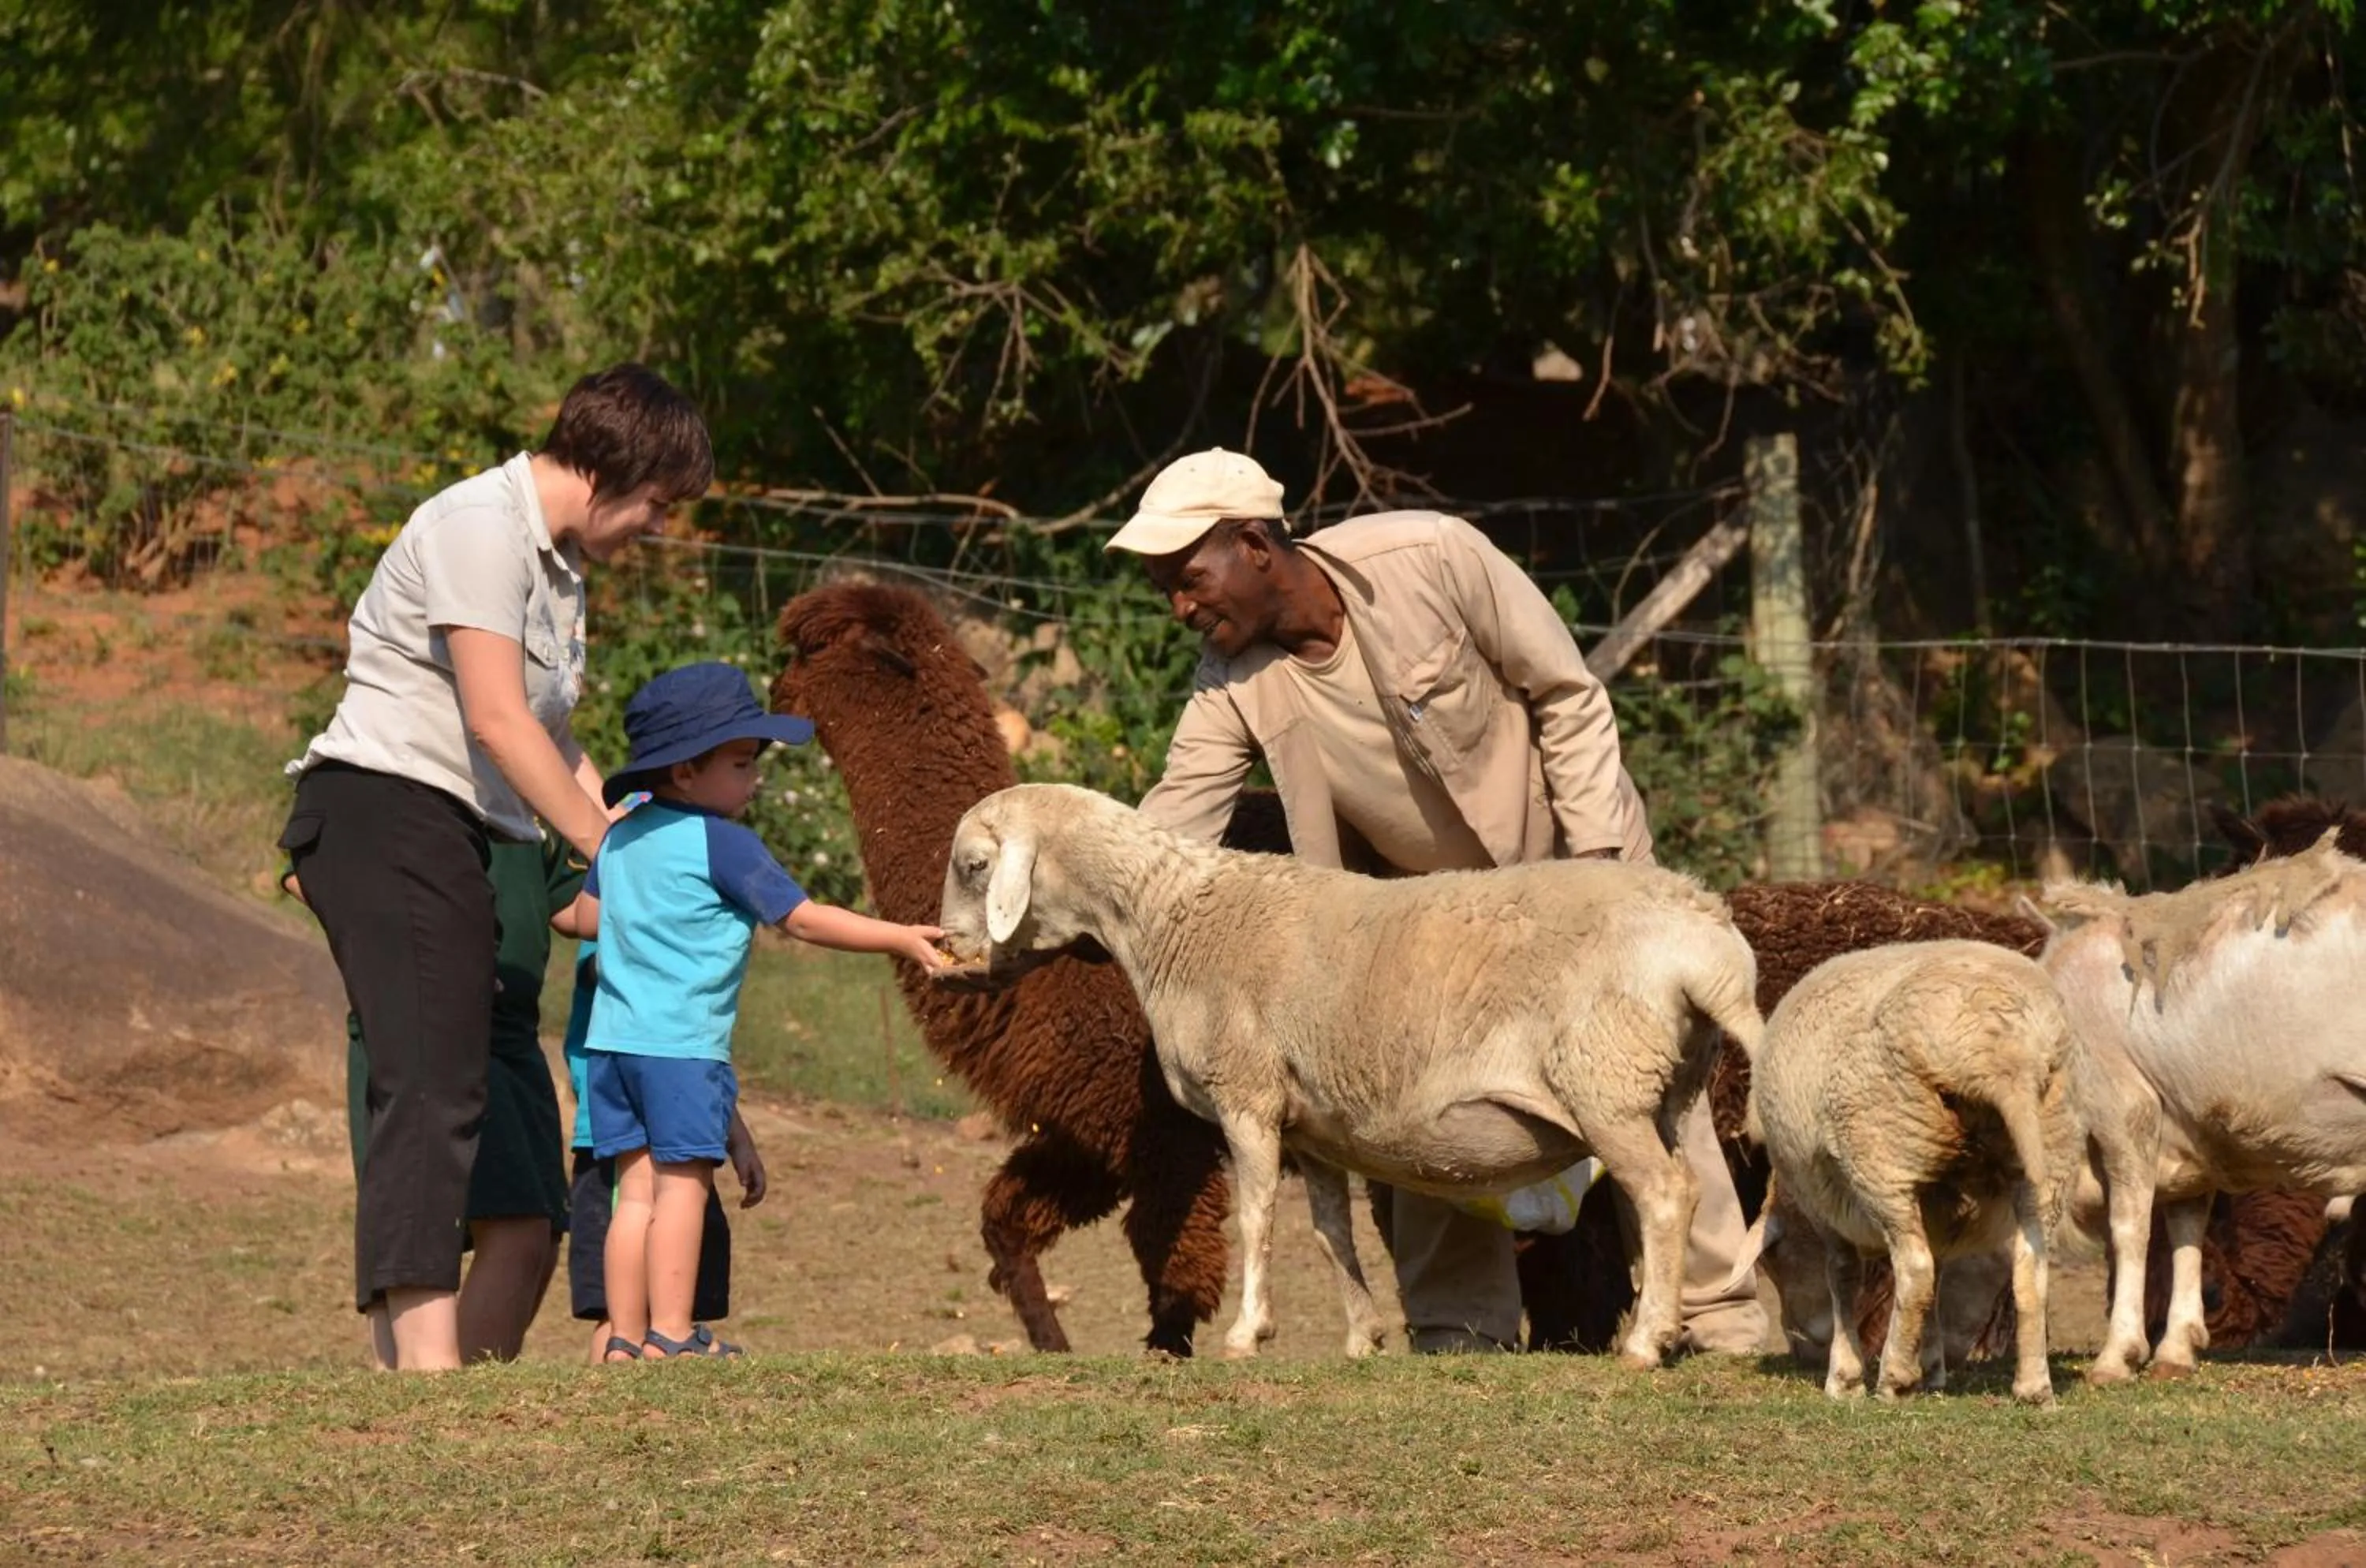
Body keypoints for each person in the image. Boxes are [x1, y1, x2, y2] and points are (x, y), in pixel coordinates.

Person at [1106, 447, 1768, 1357]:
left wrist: (1599, 878)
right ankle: (1459, 1334)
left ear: (1255, 544)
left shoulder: (1431, 557)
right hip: (1424, 912)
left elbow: (1567, 694)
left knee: (1649, 1084)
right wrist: (1059, 889)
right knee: (1403, 1082)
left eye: (1188, 580)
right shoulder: (1230, 681)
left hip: (1574, 860)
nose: (1181, 608)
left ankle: (1718, 1320)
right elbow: (1168, 832)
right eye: (1166, 591)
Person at [278, 363, 711, 1371]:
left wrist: (635, 838)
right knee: (428, 1082)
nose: (657, 527)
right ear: (609, 468)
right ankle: (426, 1367)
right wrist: (606, 851)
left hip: (446, 823)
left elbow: (549, 737)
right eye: (657, 503)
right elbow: (496, 718)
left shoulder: (557, 568)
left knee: (447, 1077)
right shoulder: (481, 525)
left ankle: (409, 1367)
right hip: (384, 807)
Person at [565, 662, 950, 1360]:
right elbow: (802, 919)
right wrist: (899, 936)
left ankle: (623, 1336)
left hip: (612, 1048)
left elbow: (587, 919)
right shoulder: (721, 842)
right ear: (686, 771)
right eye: (742, 763)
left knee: (636, 1192)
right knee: (683, 1189)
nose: (756, 779)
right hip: (681, 1048)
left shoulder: (620, 836)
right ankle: (672, 1335)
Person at [283, 834, 580, 1368]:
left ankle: (447, 1398)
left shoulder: (538, 796)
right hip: (433, 1021)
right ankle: (441, 1402)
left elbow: (572, 905)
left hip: (514, 1031)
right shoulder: (397, 790)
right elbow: (311, 869)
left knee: (539, 1233)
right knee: (508, 1227)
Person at [555, 849, 768, 1365]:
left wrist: (734, 1131)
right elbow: (649, 1032)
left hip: (683, 1130)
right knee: (618, 1320)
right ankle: (617, 1395)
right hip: (619, 1146)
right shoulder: (623, 930)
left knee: (674, 1305)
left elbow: (685, 1057)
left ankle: (666, 1367)